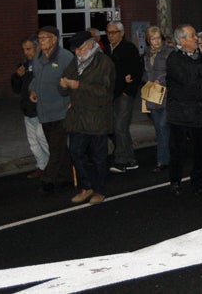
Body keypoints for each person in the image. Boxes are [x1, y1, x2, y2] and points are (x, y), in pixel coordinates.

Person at [166, 24, 202, 197]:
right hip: (180, 114)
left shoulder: (201, 57)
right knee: (178, 151)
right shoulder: (174, 58)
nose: (196, 38)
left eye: (196, 35)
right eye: (192, 36)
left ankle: (198, 184)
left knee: (199, 153)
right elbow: (186, 78)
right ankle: (175, 181)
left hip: (199, 113)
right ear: (182, 40)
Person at [61, 31, 115, 205]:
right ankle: (86, 186)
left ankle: (100, 190)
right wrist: (63, 85)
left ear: (91, 45)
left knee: (99, 156)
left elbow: (105, 92)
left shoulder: (104, 62)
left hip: (97, 117)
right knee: (75, 152)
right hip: (78, 117)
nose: (76, 52)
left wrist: (79, 85)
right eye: (74, 50)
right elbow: (64, 87)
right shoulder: (74, 63)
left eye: (79, 49)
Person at [29, 26, 74, 195]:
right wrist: (32, 90)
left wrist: (72, 101)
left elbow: (74, 81)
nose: (41, 41)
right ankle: (67, 178)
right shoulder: (38, 57)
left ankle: (47, 180)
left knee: (56, 148)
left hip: (61, 110)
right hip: (44, 111)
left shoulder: (66, 57)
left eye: (44, 38)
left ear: (54, 39)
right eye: (39, 38)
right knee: (58, 147)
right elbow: (35, 79)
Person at [104, 21, 142, 173]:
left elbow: (136, 72)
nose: (110, 35)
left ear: (121, 33)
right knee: (115, 127)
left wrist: (128, 89)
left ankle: (122, 159)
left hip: (125, 94)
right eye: (108, 32)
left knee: (121, 126)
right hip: (111, 94)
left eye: (113, 32)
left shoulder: (129, 48)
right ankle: (128, 157)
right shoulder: (106, 50)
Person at [11, 37, 49, 179]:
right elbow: (16, 89)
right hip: (28, 110)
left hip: (41, 109)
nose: (26, 52)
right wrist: (17, 76)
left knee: (42, 138)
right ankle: (42, 166)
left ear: (37, 47)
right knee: (33, 142)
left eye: (29, 49)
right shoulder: (24, 65)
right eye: (24, 49)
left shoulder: (44, 63)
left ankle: (56, 166)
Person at [142, 26, 174, 173]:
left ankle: (163, 160)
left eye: (157, 38)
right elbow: (145, 73)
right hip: (153, 96)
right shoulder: (147, 54)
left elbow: (173, 72)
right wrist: (146, 82)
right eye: (152, 39)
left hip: (167, 94)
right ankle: (164, 158)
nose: (155, 41)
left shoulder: (169, 52)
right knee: (159, 129)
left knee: (163, 126)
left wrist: (161, 80)